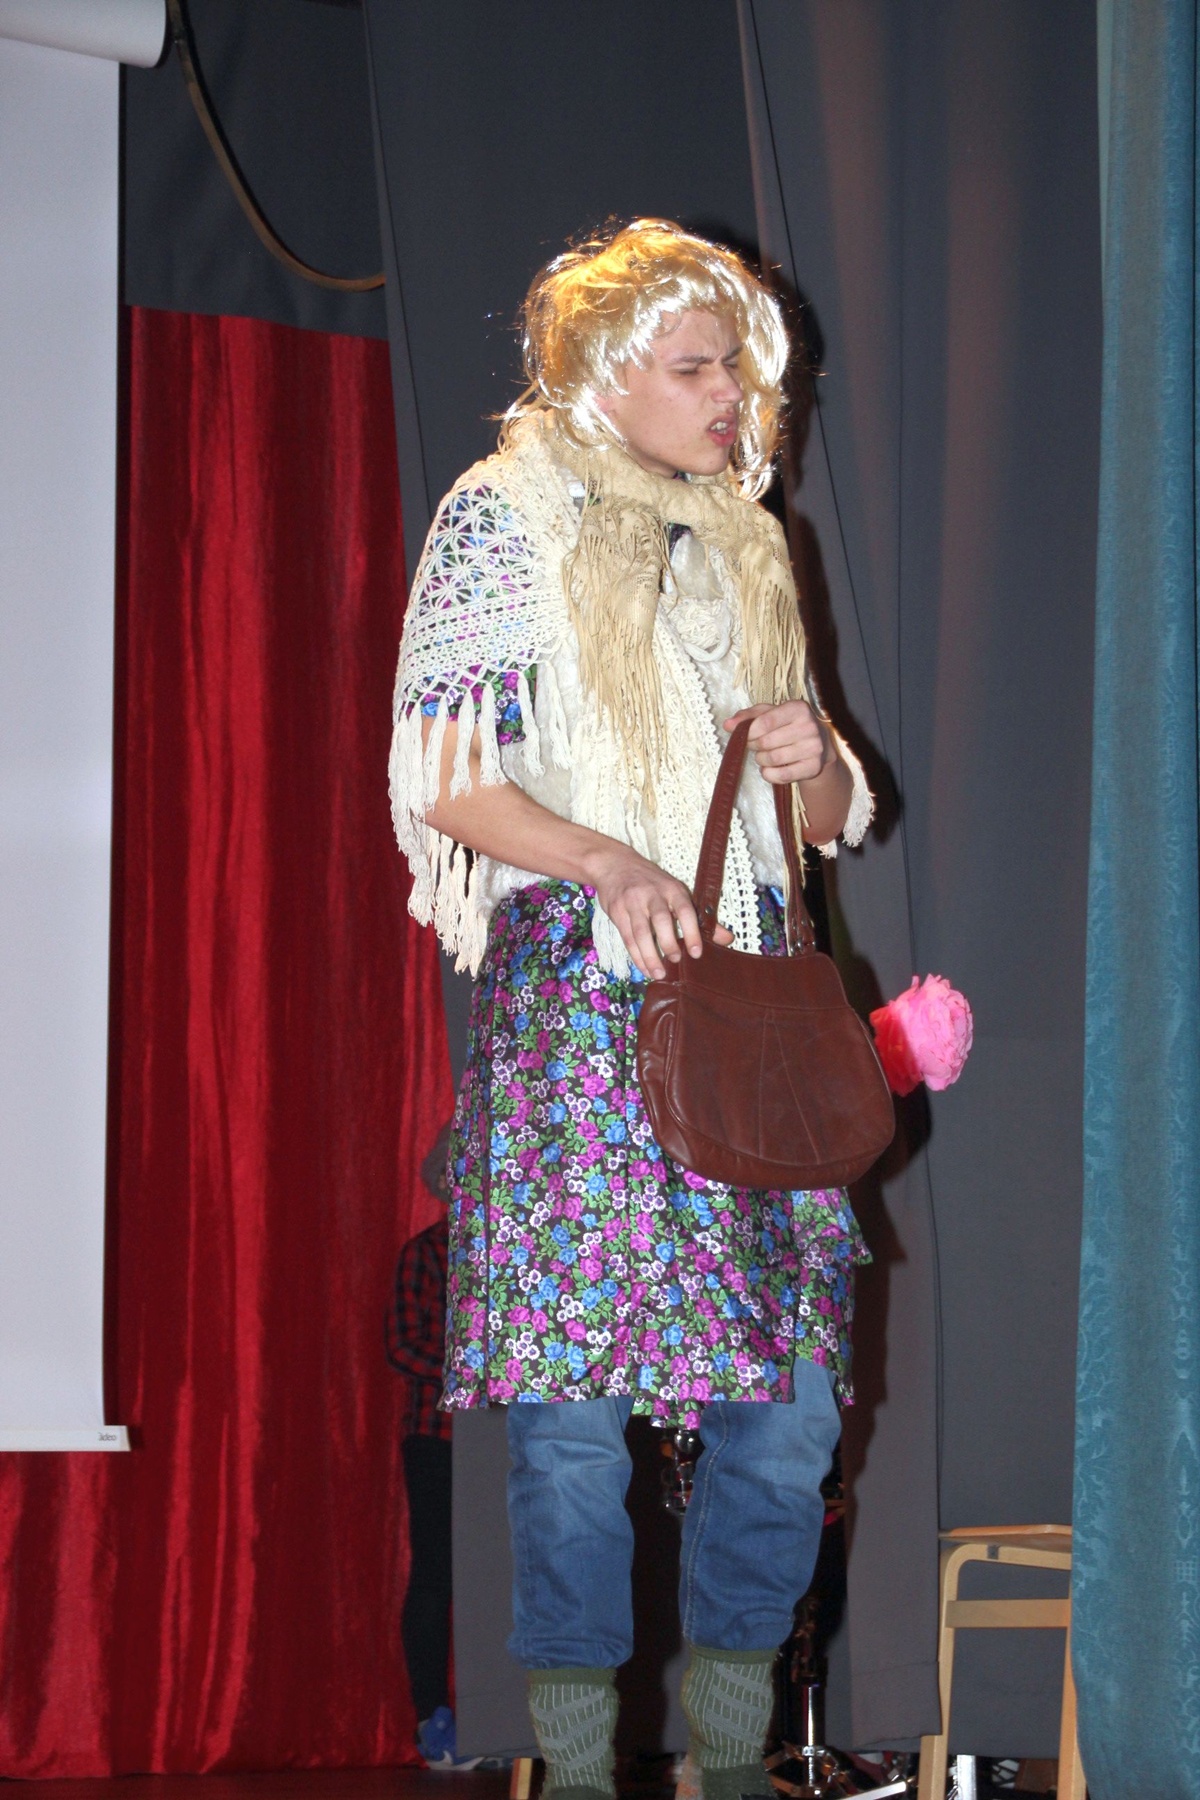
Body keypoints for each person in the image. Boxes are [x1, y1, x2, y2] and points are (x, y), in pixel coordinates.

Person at [389, 220, 872, 1800]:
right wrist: (602, 856)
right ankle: (583, 1767)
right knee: (573, 1428)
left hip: (743, 1010)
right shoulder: (502, 515)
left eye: (741, 368)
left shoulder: (743, 538)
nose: (735, 395)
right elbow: (445, 775)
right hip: (582, 1014)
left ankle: (730, 1758)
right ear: (604, 378)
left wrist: (811, 765)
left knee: (785, 1416)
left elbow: (824, 821)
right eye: (698, 367)